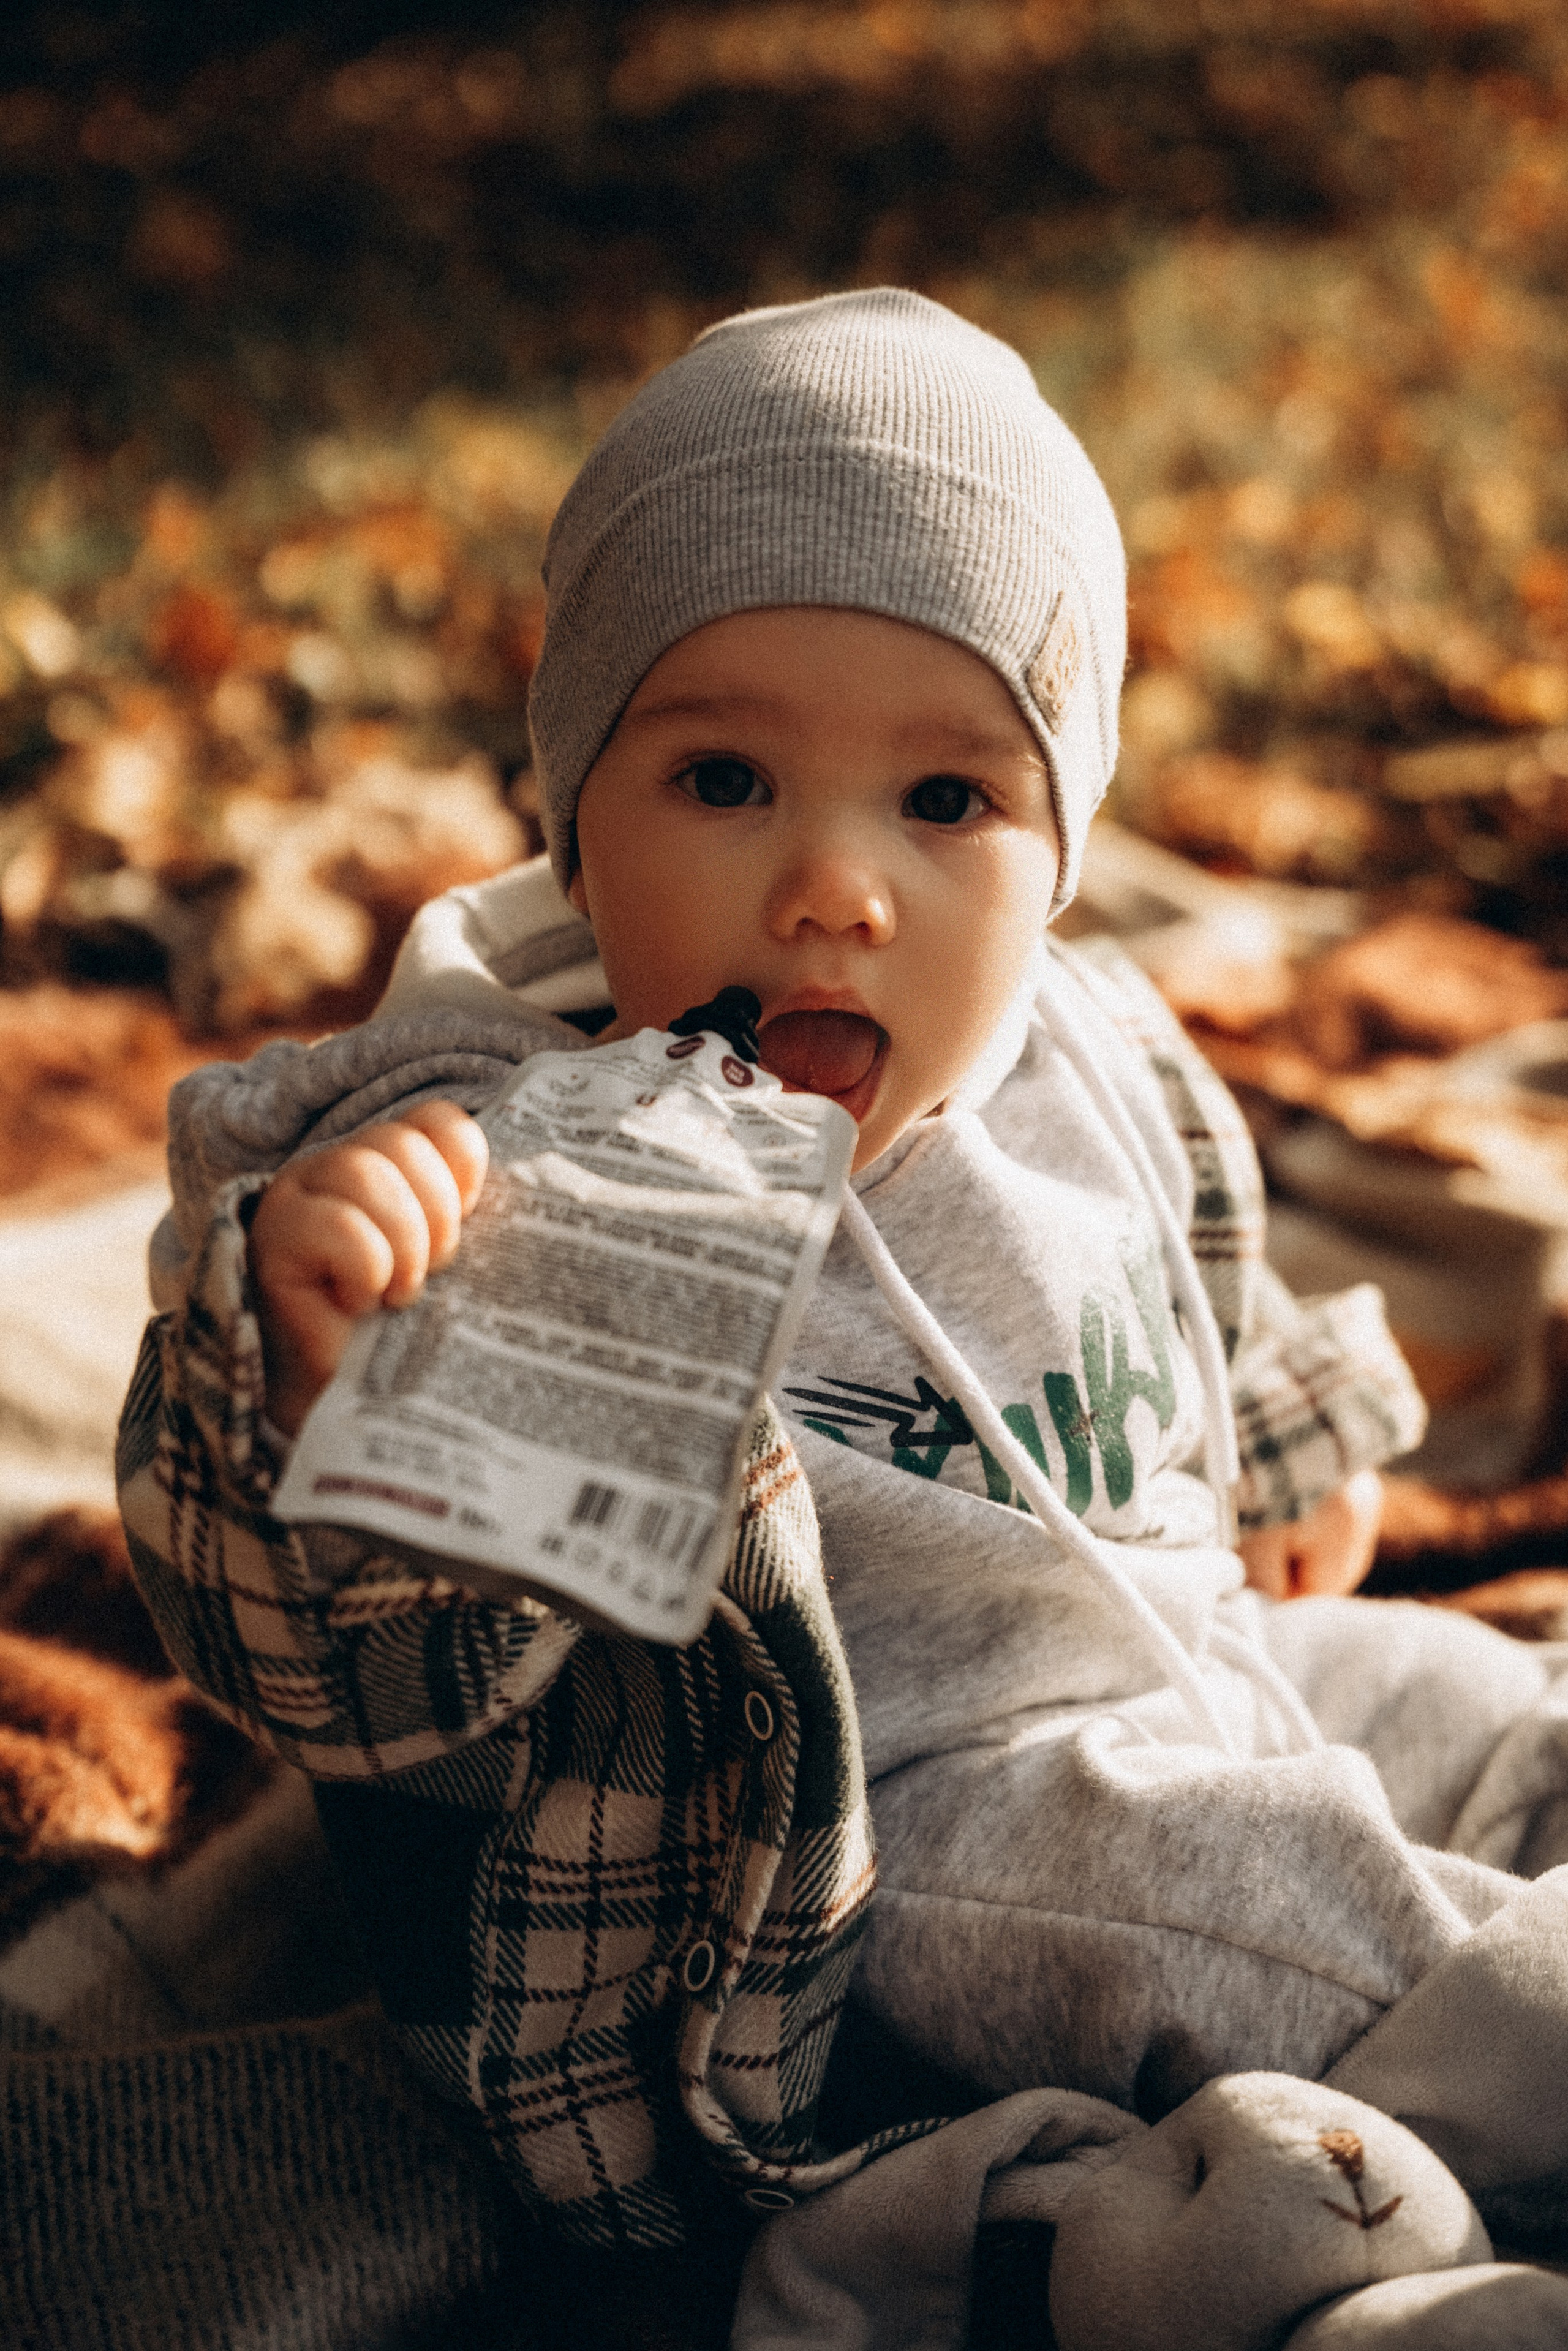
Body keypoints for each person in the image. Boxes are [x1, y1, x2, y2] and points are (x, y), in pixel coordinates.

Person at [118, 291, 1568, 2269]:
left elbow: (1190, 1256)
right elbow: (349, 1668)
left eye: (946, 801)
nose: (832, 888)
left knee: (1486, 1708)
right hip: (886, 1839)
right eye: (723, 782)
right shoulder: (509, 1172)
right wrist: (301, 1358)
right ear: (574, 825)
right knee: (1266, 1901)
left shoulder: (1081, 1040)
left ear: (1058, 847)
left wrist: (1295, 1450)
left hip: (1189, 1640)